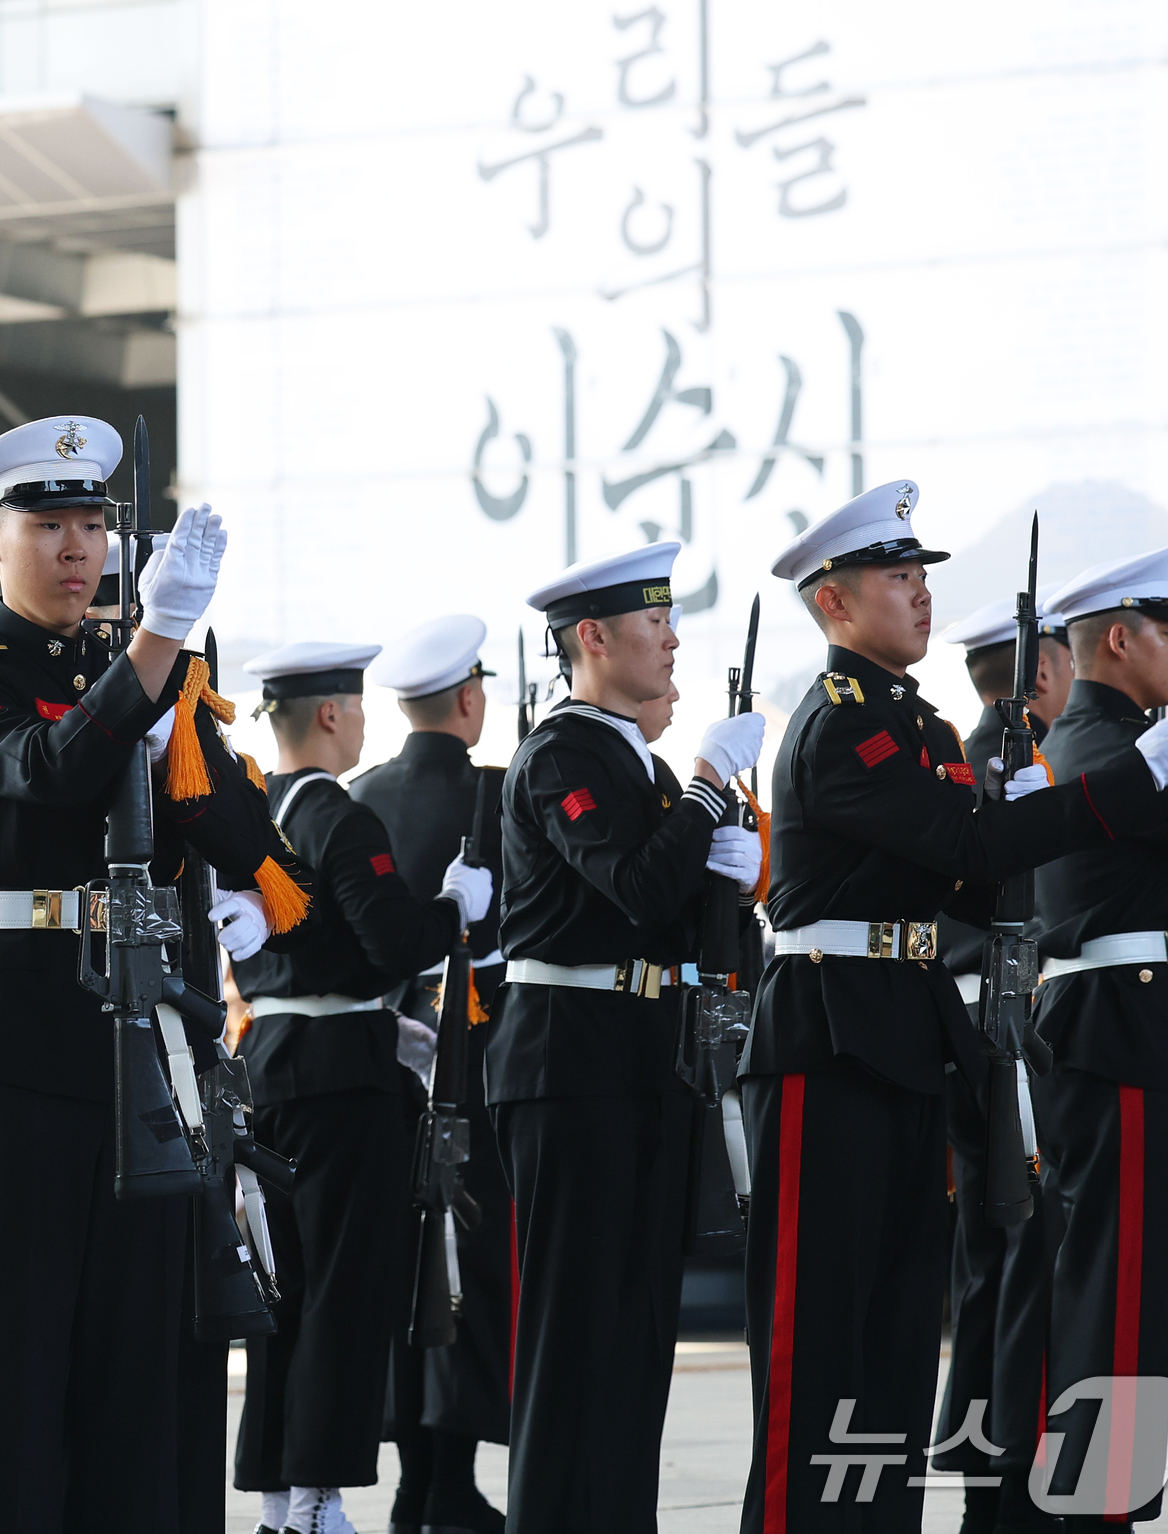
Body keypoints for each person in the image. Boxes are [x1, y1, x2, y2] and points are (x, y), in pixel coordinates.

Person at [741, 482, 1168, 1534]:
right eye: (897, 577)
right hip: (833, 1026)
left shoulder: (916, 723)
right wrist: (1121, 782)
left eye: (918, 575)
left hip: (909, 1028)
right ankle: (1078, 1514)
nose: (918, 594)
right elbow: (968, 851)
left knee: (902, 1340)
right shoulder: (841, 723)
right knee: (824, 1337)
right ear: (832, 601)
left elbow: (971, 882)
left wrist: (1005, 801)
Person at [0, 415, 313, 1534]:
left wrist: (178, 682)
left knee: (152, 1343)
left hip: (152, 1034)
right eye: (49, 524)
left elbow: (235, 833)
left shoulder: (148, 667)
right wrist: (153, 651)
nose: (78, 546)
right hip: (25, 1028)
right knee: (19, 1347)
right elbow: (47, 766)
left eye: (93, 524)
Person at [489, 542, 763, 1533]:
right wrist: (697, 791)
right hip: (568, 1059)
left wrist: (728, 874)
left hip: (638, 1054)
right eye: (653, 622)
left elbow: (683, 925)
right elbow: (636, 883)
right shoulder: (564, 751)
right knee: (573, 1328)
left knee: (635, 1327)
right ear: (593, 638)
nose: (671, 636)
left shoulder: (625, 759)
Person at [231, 640, 494, 1534]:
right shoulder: (337, 818)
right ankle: (320, 1497)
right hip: (346, 1070)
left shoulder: (251, 812)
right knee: (346, 1296)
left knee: (282, 1294)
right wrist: (454, 909)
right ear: (335, 714)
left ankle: (276, 1495)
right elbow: (392, 943)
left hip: (269, 1057)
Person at [1029, 547, 1168, 1530]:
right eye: (1163, 634)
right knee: (1120, 1292)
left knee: (1112, 1284)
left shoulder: (1106, 741)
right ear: (1114, 640)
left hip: (1108, 1024)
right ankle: (1097, 1512)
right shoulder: (1113, 751)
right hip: (1115, 1029)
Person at [347, 615, 510, 1534]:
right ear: (470, 699)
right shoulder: (497, 793)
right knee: (471, 1271)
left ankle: (416, 1477)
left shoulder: (361, 794)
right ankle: (449, 1479)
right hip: (478, 1051)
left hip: (389, 1054)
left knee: (410, 1269)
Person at [932, 599, 1072, 1534]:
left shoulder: (987, 750)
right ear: (1045, 672)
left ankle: (987, 1468)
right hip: (1002, 1023)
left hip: (981, 1020)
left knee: (995, 1254)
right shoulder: (1003, 759)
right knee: (1024, 1251)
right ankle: (1008, 1482)